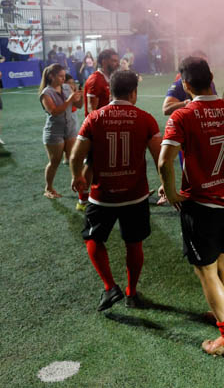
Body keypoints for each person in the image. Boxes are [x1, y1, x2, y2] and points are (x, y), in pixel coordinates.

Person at [159, 57, 224, 356]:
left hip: (201, 205)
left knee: (206, 270)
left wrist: (172, 192)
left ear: (185, 85)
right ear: (212, 77)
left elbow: (164, 161)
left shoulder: (183, 116)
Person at [70, 70, 161, 311]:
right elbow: (159, 157)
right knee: (134, 243)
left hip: (103, 196)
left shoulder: (94, 118)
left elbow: (76, 155)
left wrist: (77, 176)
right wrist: (165, 184)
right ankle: (132, 292)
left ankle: (110, 287)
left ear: (110, 91)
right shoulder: (145, 118)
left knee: (93, 238)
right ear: (134, 93)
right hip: (136, 194)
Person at [77, 49, 120, 211]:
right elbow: (91, 110)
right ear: (104, 61)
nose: (116, 63)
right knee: (90, 163)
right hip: (97, 129)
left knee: (103, 164)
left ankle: (104, 192)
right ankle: (82, 200)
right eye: (113, 60)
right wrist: (98, 131)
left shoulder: (109, 78)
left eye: (117, 60)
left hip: (109, 127)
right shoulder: (96, 79)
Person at [39, 64, 83, 198]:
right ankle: (49, 188)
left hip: (70, 129)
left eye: (64, 75)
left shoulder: (66, 87)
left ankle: (79, 185)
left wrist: (79, 97)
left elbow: (78, 106)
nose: (64, 79)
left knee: (74, 159)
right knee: (55, 162)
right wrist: (70, 99)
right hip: (54, 132)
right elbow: (54, 112)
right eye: (61, 76)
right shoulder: (46, 93)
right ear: (51, 76)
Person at [162, 50, 217, 116]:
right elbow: (166, 109)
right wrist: (188, 103)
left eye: (206, 64)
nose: (204, 67)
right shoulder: (181, 83)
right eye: (200, 64)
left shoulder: (209, 82)